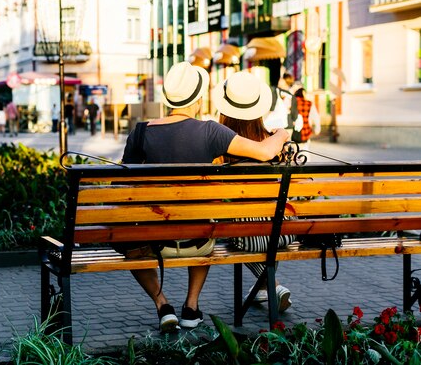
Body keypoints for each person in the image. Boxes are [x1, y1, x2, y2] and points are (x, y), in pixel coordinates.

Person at [120, 61, 289, 333]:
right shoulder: (211, 131)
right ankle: (191, 306)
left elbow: (126, 188)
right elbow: (265, 152)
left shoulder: (140, 133)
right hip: (198, 240)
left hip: (153, 240)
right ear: (198, 99)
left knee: (129, 243)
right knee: (206, 222)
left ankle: (162, 305)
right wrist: (281, 133)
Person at [213, 70, 296, 313]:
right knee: (271, 220)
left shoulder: (221, 146)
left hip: (246, 236)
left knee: (241, 229)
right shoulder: (273, 144)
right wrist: (282, 133)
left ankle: (273, 287)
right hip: (284, 231)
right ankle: (263, 289)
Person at [292, 85, 321, 154]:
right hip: (305, 130)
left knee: (294, 151)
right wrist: (317, 129)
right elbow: (316, 117)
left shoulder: (292, 102)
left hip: (293, 131)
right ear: (303, 94)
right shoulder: (309, 103)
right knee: (305, 151)